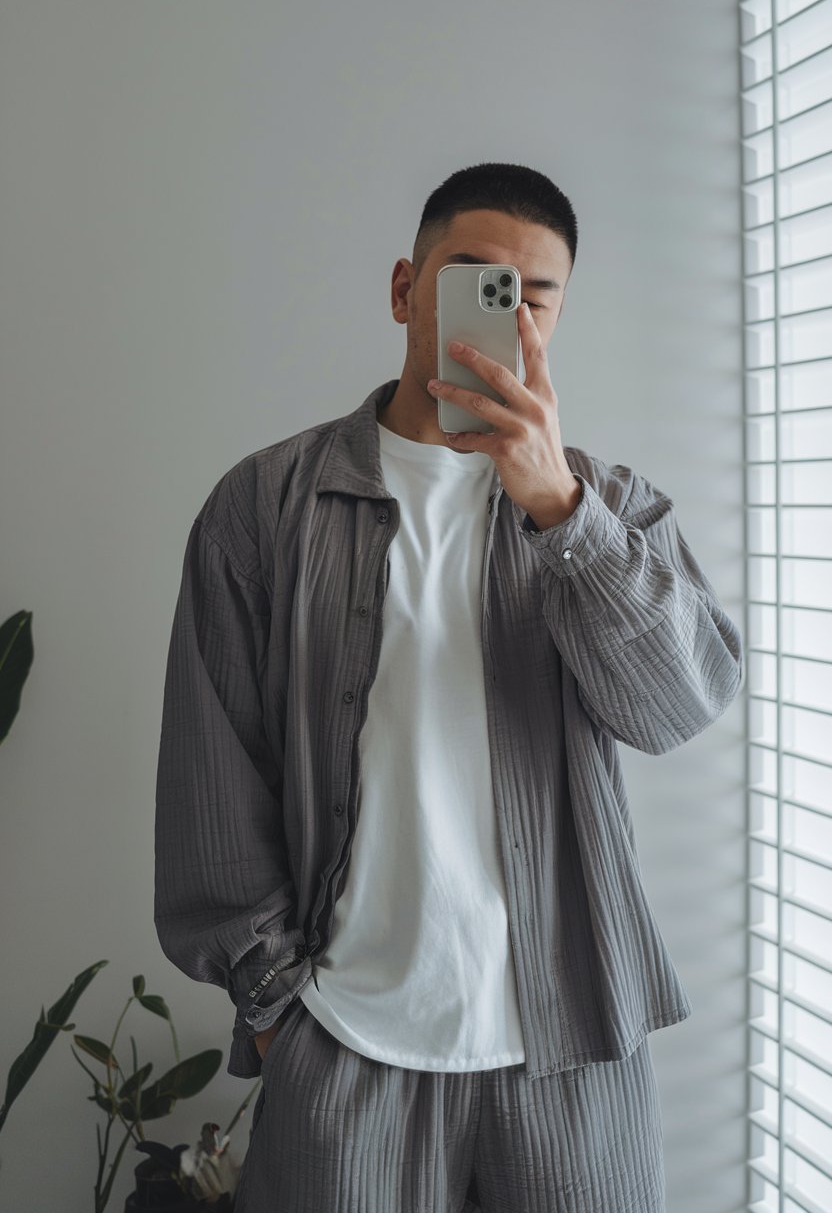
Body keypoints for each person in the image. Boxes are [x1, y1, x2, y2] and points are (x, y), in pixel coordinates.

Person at [154, 161, 743, 1212]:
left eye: (532, 290)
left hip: (574, 1055)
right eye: (466, 274)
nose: (499, 304)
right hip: (341, 1044)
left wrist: (560, 513)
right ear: (402, 290)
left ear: (554, 316)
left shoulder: (607, 506)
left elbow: (678, 704)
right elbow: (213, 778)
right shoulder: (264, 508)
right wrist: (274, 1010)